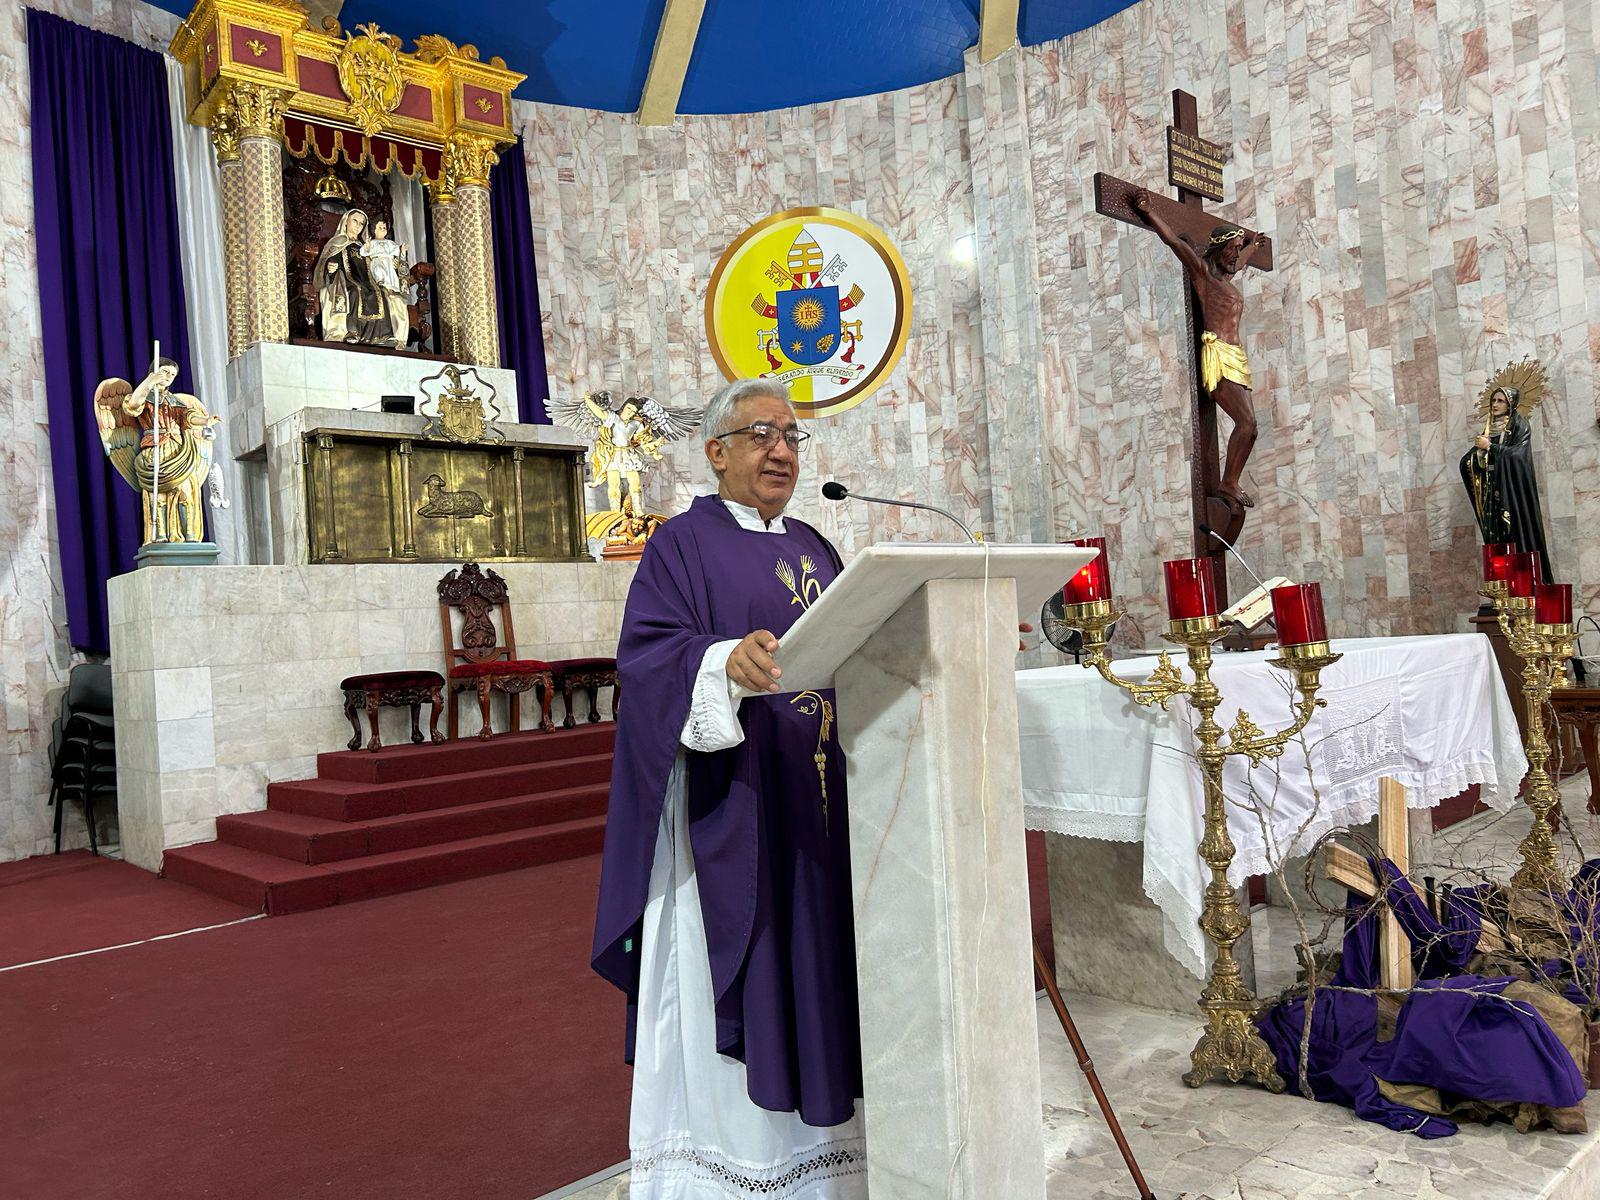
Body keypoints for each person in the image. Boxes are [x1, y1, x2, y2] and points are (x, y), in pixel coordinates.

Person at [592, 377, 868, 1198]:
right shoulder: (683, 542)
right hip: (735, 807)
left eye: (791, 436)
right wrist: (721, 662)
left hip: (821, 807)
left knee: (820, 960)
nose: (782, 450)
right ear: (715, 453)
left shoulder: (819, 545)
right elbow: (645, 662)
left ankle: (832, 1166)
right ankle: (738, 1174)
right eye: (761, 435)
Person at [1131, 188, 1264, 509]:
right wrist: (1149, 212)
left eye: (1237, 249)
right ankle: (1228, 484)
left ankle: (1230, 481)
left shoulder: (1229, 277)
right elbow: (1175, 243)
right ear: (1217, 250)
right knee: (1246, 424)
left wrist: (1251, 246)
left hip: (1236, 357)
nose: (1235, 255)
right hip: (1218, 354)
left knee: (1252, 428)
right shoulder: (1204, 276)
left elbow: (1240, 264)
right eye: (1231, 249)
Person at [1459, 383, 1552, 582]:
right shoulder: (1488, 427)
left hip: (1512, 493)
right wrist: (1478, 456)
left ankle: (1523, 583)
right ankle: (1502, 586)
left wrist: (1491, 447)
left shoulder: (1519, 425)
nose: (1495, 404)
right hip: (1491, 493)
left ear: (1511, 404)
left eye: (1500, 400)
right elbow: (1468, 462)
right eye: (1493, 400)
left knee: (1514, 534)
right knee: (1496, 538)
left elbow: (1519, 457)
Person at [313, 209, 389, 345]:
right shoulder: (336, 242)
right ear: (345, 221)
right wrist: (330, 269)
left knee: (380, 292)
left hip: (366, 281)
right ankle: (352, 331)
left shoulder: (364, 248)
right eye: (355, 220)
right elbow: (327, 262)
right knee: (355, 291)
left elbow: (373, 267)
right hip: (344, 280)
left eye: (362, 223)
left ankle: (379, 335)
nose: (358, 225)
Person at [360, 218, 411, 347]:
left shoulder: (390, 243)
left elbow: (399, 256)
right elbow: (364, 252)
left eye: (384, 227)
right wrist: (366, 246)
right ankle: (381, 282)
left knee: (398, 305)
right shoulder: (373, 243)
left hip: (390, 271)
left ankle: (401, 340)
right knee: (378, 269)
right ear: (373, 231)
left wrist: (402, 251)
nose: (383, 230)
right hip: (378, 264)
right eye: (380, 227)